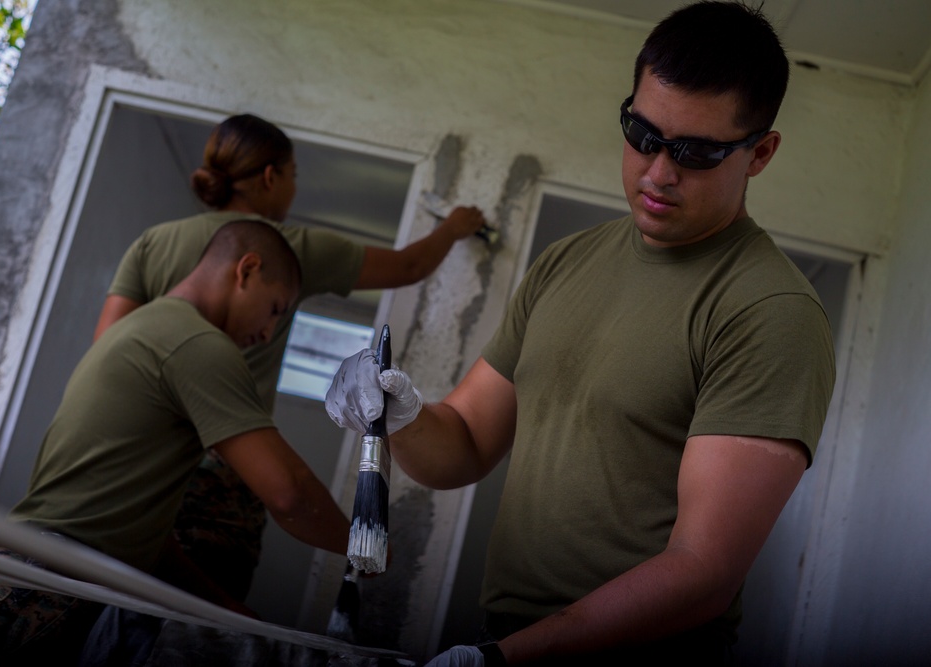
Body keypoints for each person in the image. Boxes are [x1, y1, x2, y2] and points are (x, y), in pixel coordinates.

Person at [324, 2, 837, 665]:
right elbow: (469, 444)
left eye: (696, 153)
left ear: (759, 152)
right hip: (516, 636)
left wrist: (505, 658)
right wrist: (402, 416)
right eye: (642, 134)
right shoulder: (566, 262)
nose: (658, 172)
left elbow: (702, 573)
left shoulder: (768, 310)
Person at [92, 113, 486, 602]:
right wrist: (454, 226)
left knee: (120, 602)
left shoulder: (152, 243)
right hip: (227, 467)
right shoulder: (289, 250)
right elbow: (409, 265)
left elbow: (107, 349)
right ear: (270, 176)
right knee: (198, 622)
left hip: (141, 465)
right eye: (294, 174)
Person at [0, 219, 353, 662]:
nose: (268, 334)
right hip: (40, 591)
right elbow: (289, 494)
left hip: (11, 586)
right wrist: (365, 545)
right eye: (275, 309)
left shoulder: (142, 328)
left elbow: (147, 545)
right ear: (246, 270)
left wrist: (234, 614)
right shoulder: (197, 344)